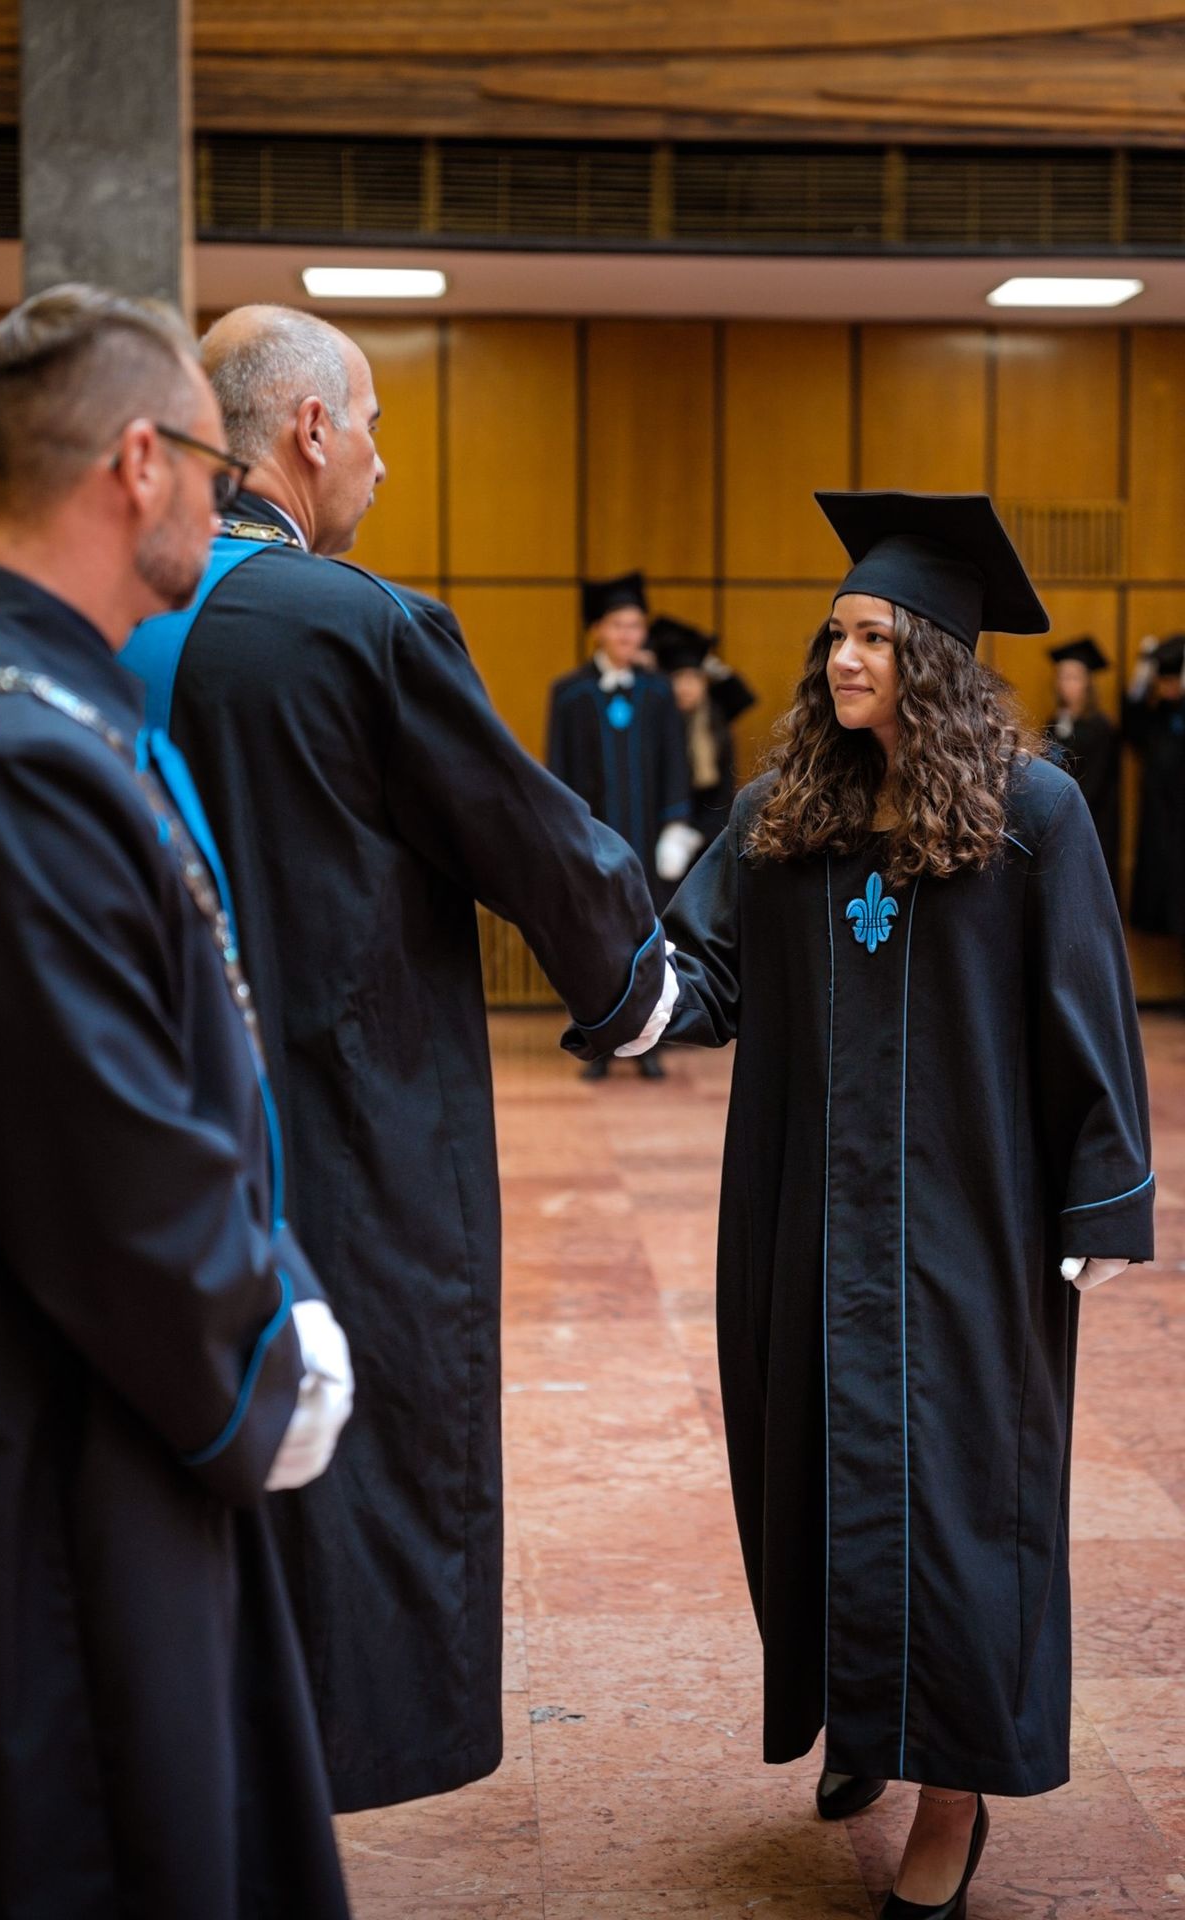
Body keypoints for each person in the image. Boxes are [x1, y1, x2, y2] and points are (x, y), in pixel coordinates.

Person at [122, 305, 674, 1814]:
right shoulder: (358, 624)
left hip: (144, 1125)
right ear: (309, 429)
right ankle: (327, 1771)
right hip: (342, 1124)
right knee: (354, 1434)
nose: (380, 458)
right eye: (369, 423)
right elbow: (527, 839)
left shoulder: (115, 620)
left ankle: (189, 1767)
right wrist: (641, 988)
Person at [572, 491, 1153, 1919]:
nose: (844, 659)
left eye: (877, 639)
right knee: (817, 1474)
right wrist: (618, 982)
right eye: (836, 634)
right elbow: (702, 972)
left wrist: (1101, 1201)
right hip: (807, 1217)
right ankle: (863, 1718)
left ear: (936, 658)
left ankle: (951, 1793)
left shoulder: (1031, 816)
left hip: (969, 1225)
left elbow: (1087, 1009)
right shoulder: (783, 816)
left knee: (961, 1497)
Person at [0, 287, 355, 1917]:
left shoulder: (39, 702)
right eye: (215, 466)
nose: (227, 500)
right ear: (136, 463)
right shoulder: (6, 754)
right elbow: (108, 1166)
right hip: (64, 1458)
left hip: (107, 1416)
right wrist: (268, 1349)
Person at [547, 572, 695, 1078]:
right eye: (619, 625)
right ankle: (598, 1043)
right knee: (593, 941)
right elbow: (558, 770)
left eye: (636, 626)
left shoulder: (658, 693)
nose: (629, 635)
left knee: (647, 939)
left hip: (647, 843)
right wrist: (564, 837)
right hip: (593, 844)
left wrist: (676, 825)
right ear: (598, 631)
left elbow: (675, 761)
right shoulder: (570, 694)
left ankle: (648, 1044)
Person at [648, 613, 757, 858]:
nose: (686, 687)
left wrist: (698, 835)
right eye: (678, 678)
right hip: (661, 834)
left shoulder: (715, 718)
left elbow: (743, 696)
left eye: (694, 678)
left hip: (707, 834)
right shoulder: (654, 720)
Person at [1043, 636, 1120, 895]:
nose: (1066, 684)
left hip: (1090, 819)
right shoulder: (1054, 723)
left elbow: (1095, 782)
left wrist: (1065, 808)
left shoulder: (1101, 728)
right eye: (1062, 676)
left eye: (1073, 677)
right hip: (1058, 819)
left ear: (1087, 682)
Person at [1125, 632, 1185, 940]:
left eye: (1174, 680)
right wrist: (1143, 671)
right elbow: (1131, 722)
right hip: (1159, 816)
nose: (1168, 687)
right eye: (1164, 681)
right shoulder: (1155, 716)